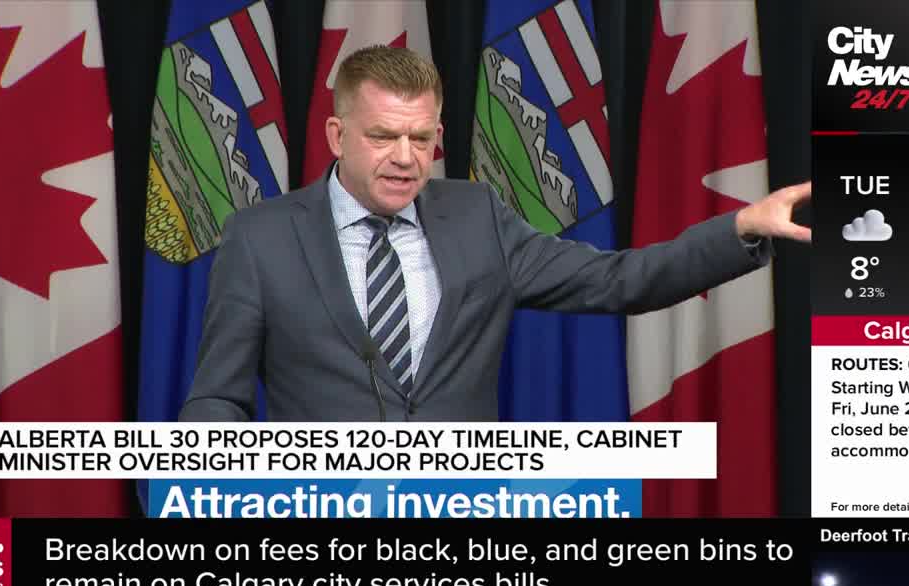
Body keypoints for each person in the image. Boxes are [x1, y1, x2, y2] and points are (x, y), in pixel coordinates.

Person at [179, 45, 810, 423]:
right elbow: (218, 400)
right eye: (382, 137)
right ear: (337, 137)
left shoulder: (477, 216)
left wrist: (741, 229)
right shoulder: (259, 239)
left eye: (421, 138)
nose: (405, 157)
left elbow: (619, 280)